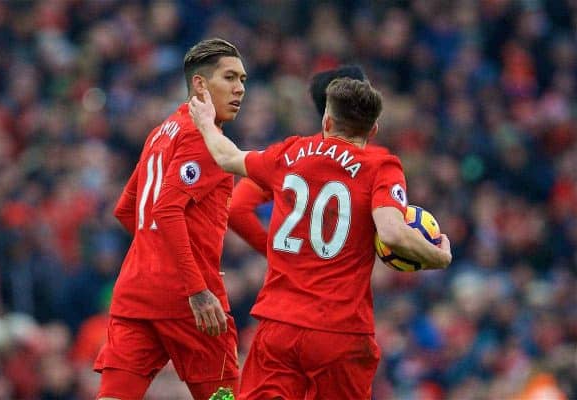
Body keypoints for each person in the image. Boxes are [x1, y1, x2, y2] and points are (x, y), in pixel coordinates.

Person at [189, 78, 452, 399]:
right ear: (373, 131)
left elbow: (227, 157)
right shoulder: (381, 166)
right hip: (339, 332)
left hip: (279, 324)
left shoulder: (291, 152)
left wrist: (205, 122)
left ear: (327, 121)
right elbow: (393, 233)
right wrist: (438, 257)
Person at [94, 38, 247, 400]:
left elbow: (125, 209)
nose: (240, 88)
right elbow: (165, 209)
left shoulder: (161, 132)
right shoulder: (203, 138)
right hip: (190, 302)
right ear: (200, 84)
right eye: (229, 77)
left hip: (135, 295)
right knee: (222, 397)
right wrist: (195, 286)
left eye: (243, 79)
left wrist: (156, 256)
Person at [228, 65, 389, 256]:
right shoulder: (378, 162)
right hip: (343, 281)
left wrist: (274, 253)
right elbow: (391, 231)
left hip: (291, 277)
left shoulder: (290, 155)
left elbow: (236, 208)